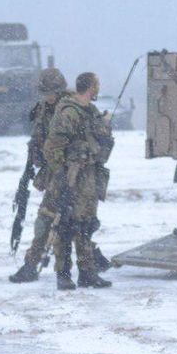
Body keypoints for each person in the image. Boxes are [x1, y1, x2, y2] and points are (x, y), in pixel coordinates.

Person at [45, 72, 113, 290]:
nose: (99, 88)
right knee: (65, 224)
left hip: (89, 175)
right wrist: (62, 175)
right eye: (97, 84)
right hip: (71, 176)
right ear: (91, 87)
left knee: (86, 224)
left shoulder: (90, 111)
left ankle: (87, 272)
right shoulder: (69, 112)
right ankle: (63, 274)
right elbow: (53, 147)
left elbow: (98, 140)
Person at [8, 68, 69, 283]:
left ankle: (31, 265)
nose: (46, 96)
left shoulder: (70, 110)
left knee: (49, 218)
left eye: (50, 92)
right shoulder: (45, 108)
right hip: (52, 171)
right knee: (67, 220)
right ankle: (93, 260)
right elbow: (38, 138)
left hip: (69, 174)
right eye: (43, 92)